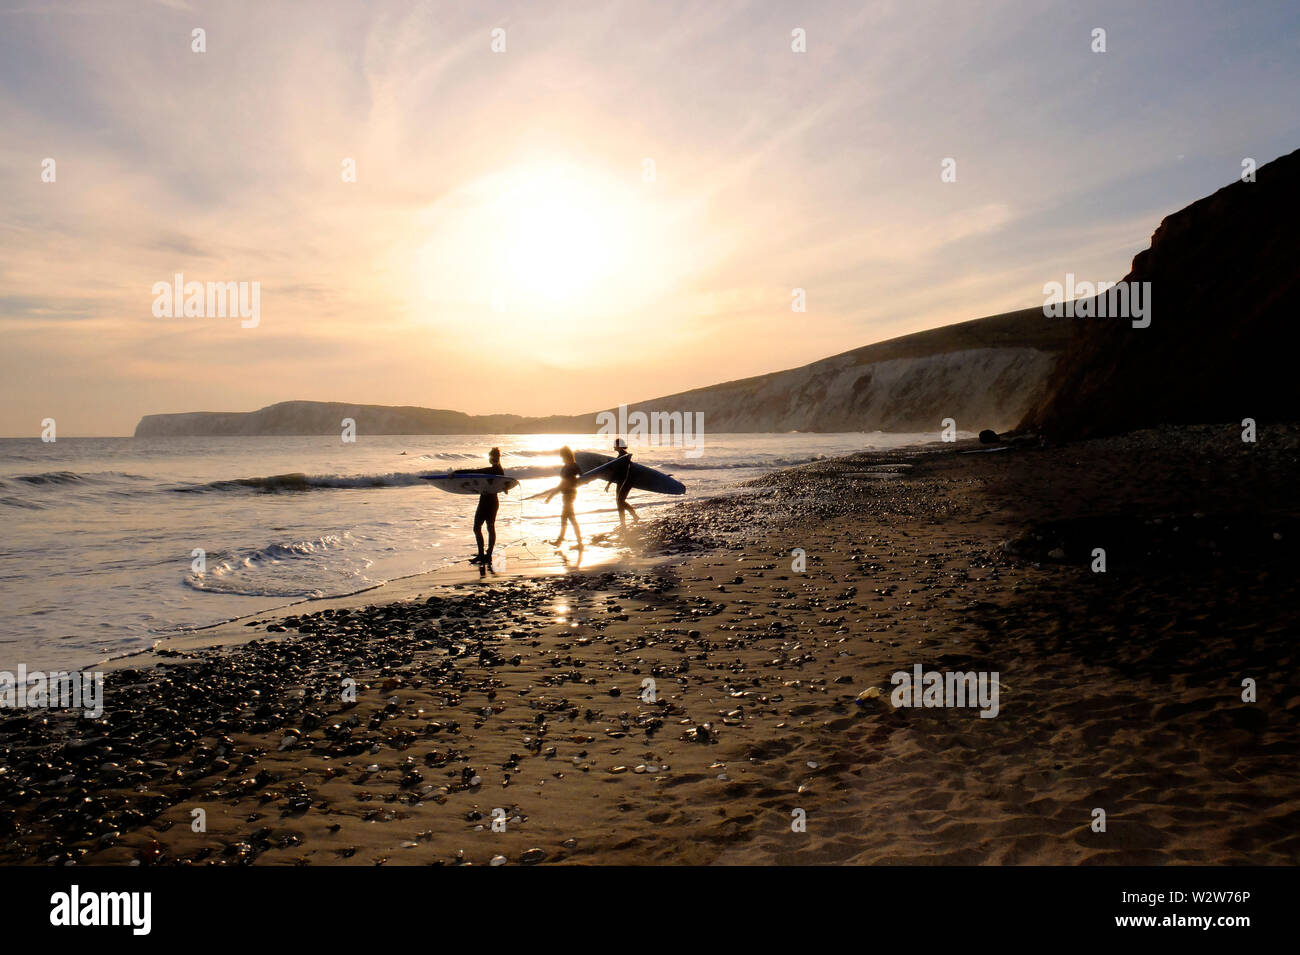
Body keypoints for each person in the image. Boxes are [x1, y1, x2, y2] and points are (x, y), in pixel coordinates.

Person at [453, 447, 506, 565]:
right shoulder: (501, 471)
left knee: (477, 527)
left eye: (491, 457)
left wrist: (457, 473)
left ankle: (483, 555)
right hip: (493, 502)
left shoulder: (492, 470)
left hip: (486, 502)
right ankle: (487, 555)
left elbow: (474, 472)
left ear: (492, 458)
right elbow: (503, 486)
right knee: (489, 528)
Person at [544, 445, 583, 549]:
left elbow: (582, 477)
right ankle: (572, 542)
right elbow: (562, 484)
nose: (562, 458)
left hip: (569, 495)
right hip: (567, 494)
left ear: (567, 455)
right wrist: (551, 495)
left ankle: (569, 542)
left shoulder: (571, 466)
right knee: (568, 518)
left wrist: (550, 496)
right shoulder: (569, 466)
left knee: (568, 518)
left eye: (562, 456)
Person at [606, 437, 639, 526]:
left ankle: (634, 515)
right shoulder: (622, 456)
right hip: (622, 481)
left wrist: (608, 484)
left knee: (620, 501)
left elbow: (617, 472)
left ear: (619, 446)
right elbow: (617, 472)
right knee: (619, 502)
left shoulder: (624, 457)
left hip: (626, 482)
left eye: (615, 445)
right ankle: (623, 522)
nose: (613, 447)